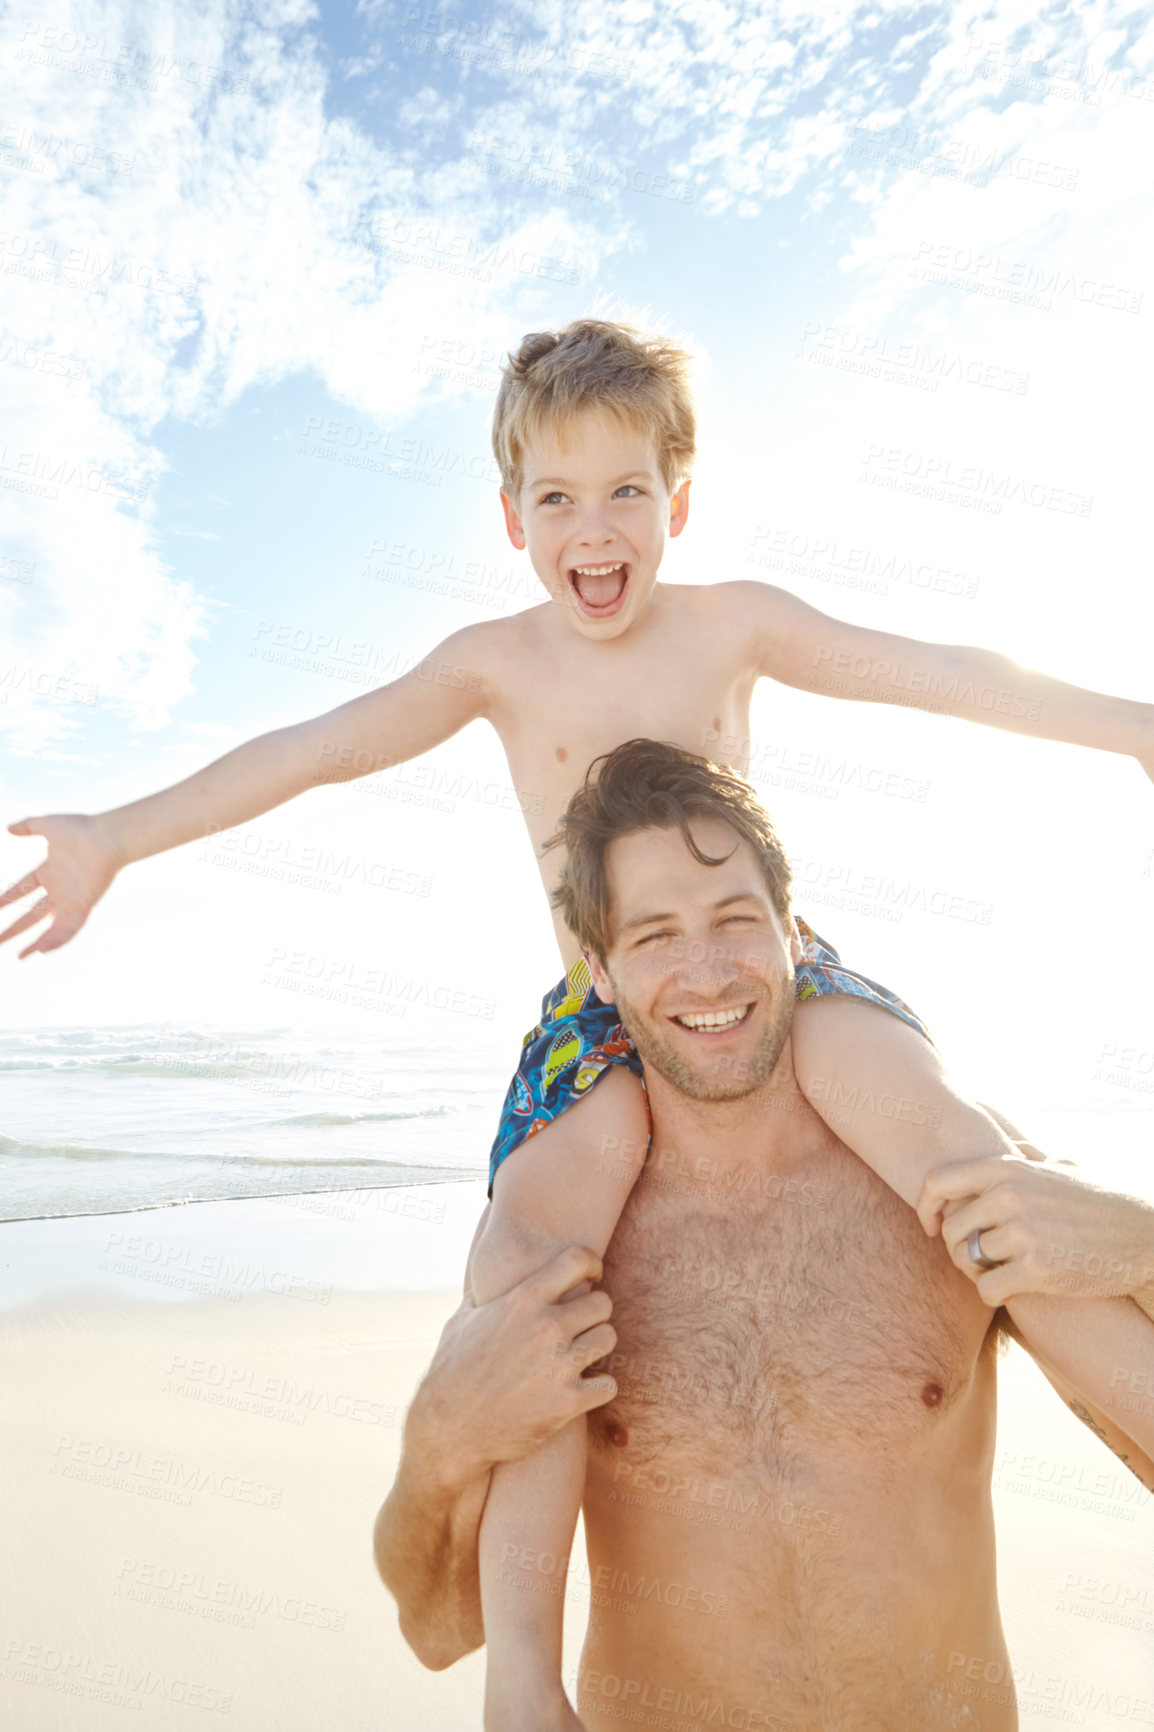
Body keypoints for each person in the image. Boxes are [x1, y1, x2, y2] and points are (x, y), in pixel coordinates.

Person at [2, 321, 1151, 1723]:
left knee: (976, 1172)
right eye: (556, 497)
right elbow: (307, 749)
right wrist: (116, 835)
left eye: (624, 493)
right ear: (510, 520)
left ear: (677, 504)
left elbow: (943, 669)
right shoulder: (493, 663)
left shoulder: (736, 621)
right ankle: (525, 1685)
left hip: (774, 966)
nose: (592, 529)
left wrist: (1135, 729)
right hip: (598, 1015)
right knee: (543, 1282)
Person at [375, 742, 1154, 1728]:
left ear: (794, 931)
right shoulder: (563, 1255)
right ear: (598, 973)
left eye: (735, 921)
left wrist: (1145, 1239)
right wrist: (436, 1441)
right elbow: (440, 1630)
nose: (705, 973)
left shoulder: (943, 1191)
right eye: (653, 935)